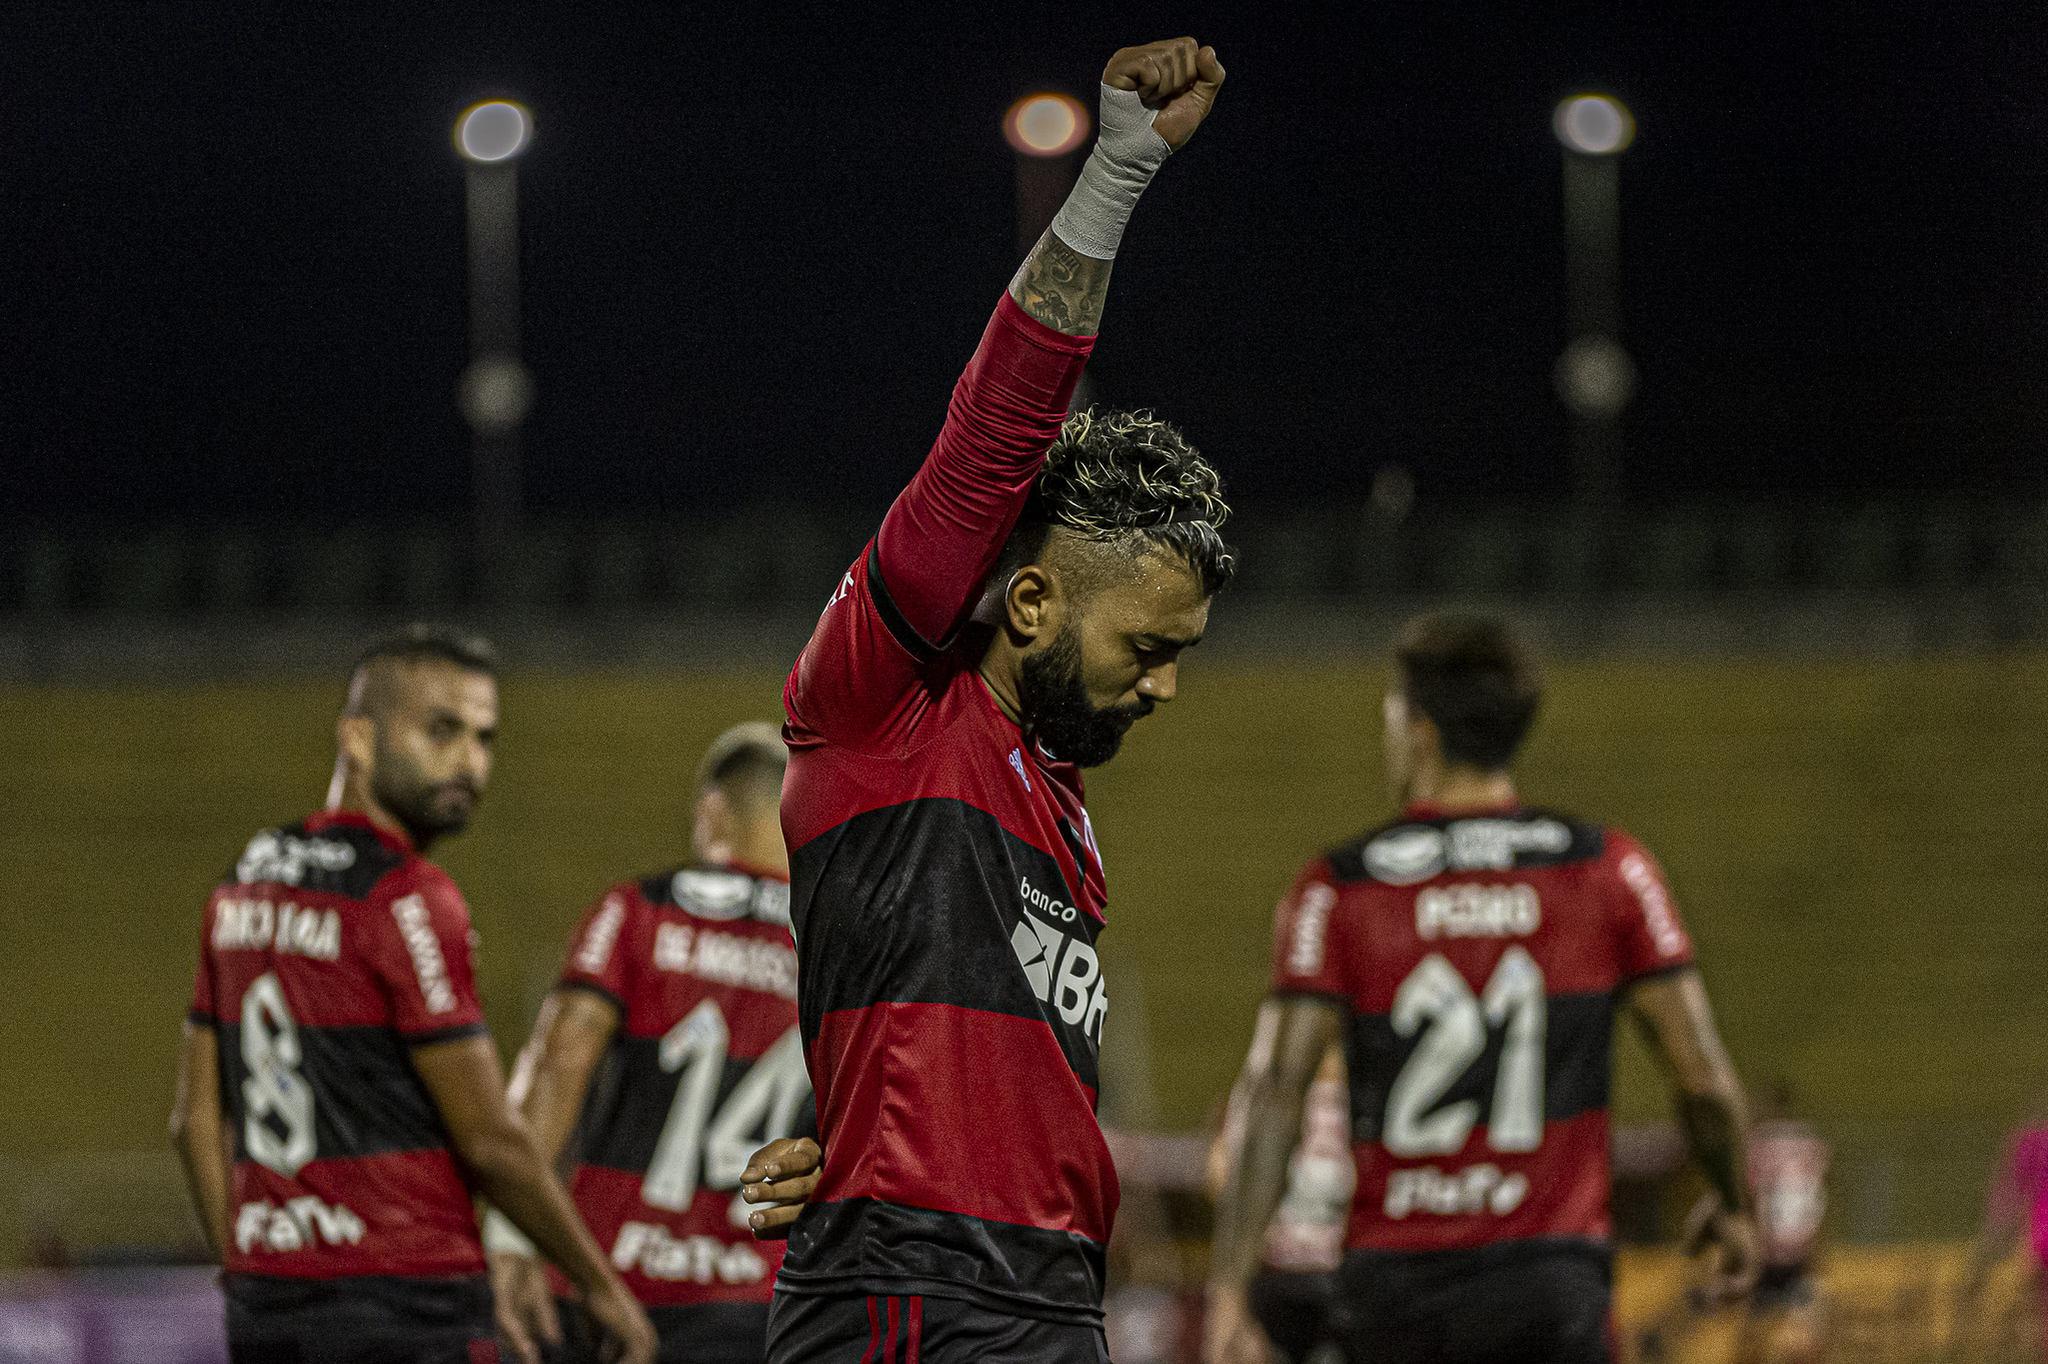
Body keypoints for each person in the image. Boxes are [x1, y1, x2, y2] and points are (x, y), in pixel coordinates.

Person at [759, 36, 1230, 1364]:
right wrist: (1119, 172)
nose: (1168, 684)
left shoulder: (1058, 802)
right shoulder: (881, 706)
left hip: (1033, 1299)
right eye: (1146, 647)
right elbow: (991, 438)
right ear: (1031, 607)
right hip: (926, 1298)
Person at [1205, 612, 1760, 1364]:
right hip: (1550, 1288)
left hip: (1395, 1293)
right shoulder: (1609, 871)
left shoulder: (1341, 888)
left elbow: (1274, 1088)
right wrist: (1733, 1205)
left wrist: (1231, 1287)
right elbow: (1702, 1081)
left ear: (1421, 731)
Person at [169, 626, 655, 1364]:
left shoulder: (245, 876)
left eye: (484, 739)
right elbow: (490, 1139)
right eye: (442, 730)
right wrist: (596, 1282)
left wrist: (245, 1270)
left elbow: (192, 1119)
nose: (470, 762)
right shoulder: (408, 898)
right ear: (356, 739)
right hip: (406, 1300)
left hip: (270, 1305)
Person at [488, 722, 810, 1364]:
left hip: (611, 1285)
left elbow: (556, 1067)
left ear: (711, 811)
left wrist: (510, 1235)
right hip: (759, 1302)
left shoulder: (638, 911)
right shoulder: (833, 947)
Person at [1206, 1041, 1353, 1364]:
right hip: (1303, 1278)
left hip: (1296, 1277)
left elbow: (1222, 1186)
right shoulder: (1358, 1102)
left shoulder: (1262, 1100)